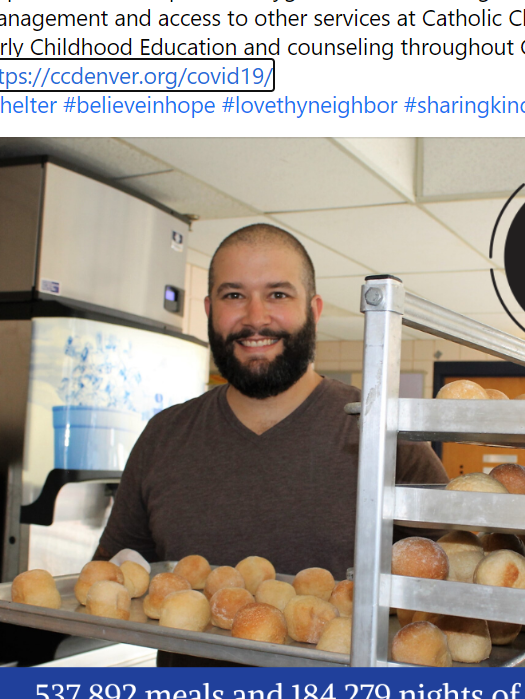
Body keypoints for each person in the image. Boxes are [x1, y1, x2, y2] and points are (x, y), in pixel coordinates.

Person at [94, 223, 448, 663]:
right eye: (233, 295)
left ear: (314, 310)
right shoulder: (164, 436)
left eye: (278, 294)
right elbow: (112, 579)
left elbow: (455, 583)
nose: (255, 317)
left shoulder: (387, 435)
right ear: (209, 309)